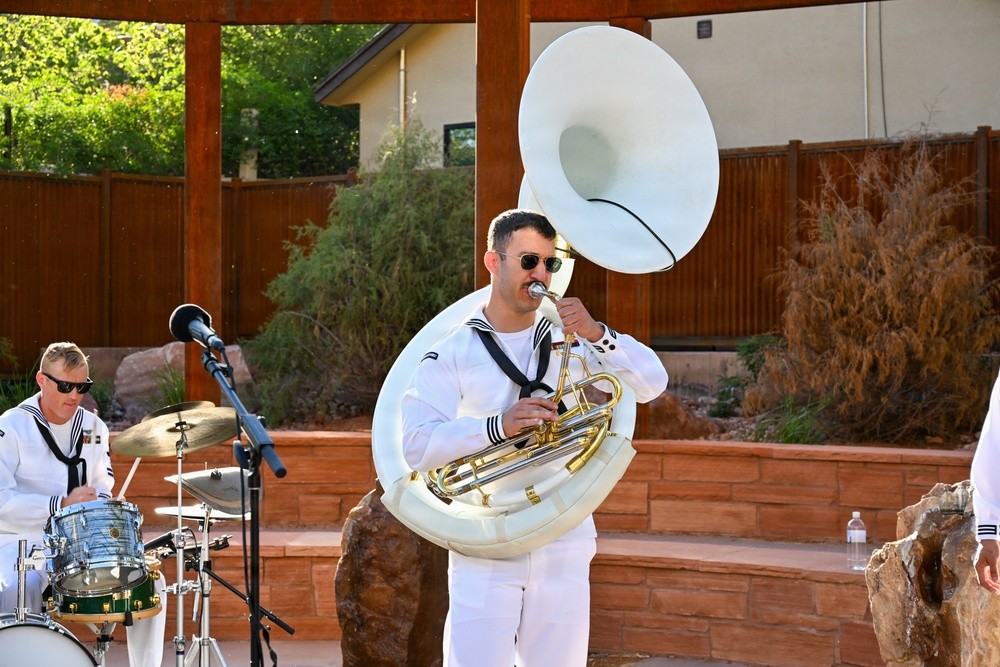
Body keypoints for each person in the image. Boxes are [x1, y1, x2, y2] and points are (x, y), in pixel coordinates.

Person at [401, 209, 668, 667]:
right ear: (493, 261)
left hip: (563, 532)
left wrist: (598, 334)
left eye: (550, 263)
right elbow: (417, 446)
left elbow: (652, 384)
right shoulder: (453, 350)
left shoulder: (572, 340)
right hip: (487, 538)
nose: (541, 275)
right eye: (529, 261)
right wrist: (499, 426)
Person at [0, 342, 165, 667]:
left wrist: (107, 507)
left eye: (82, 387)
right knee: (21, 585)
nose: (74, 395)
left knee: (150, 581)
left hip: (78, 544)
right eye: (65, 386)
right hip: (18, 541)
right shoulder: (11, 426)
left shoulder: (93, 428)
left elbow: (101, 486)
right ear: (42, 380)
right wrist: (59, 503)